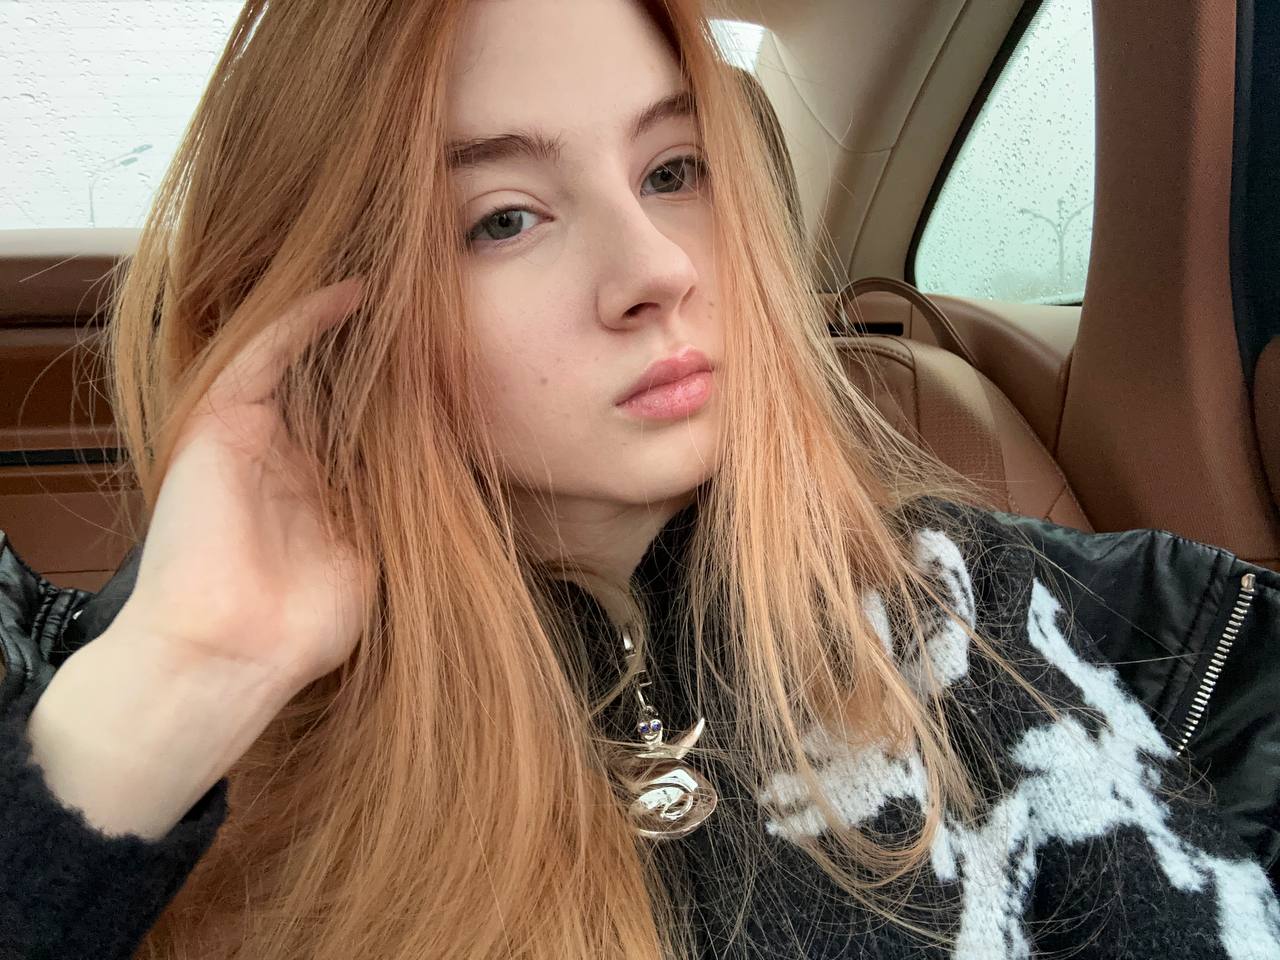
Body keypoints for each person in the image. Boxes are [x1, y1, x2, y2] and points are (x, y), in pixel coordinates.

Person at [1, 0, 1278, 958]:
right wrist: (187, 676)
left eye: (672, 171)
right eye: (503, 218)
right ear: (331, 315)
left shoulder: (1051, 616)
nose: (656, 268)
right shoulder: (141, 716)